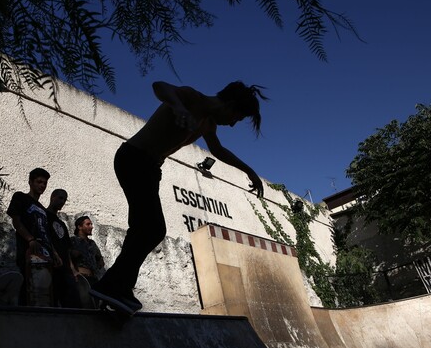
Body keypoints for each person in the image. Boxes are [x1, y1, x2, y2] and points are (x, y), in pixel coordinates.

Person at [90, 81, 266, 313]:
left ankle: (117, 286)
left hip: (150, 168)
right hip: (134, 157)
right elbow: (159, 86)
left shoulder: (208, 124)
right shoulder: (193, 98)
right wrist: (178, 107)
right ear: (230, 105)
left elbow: (218, 150)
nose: (232, 124)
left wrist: (249, 170)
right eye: (236, 118)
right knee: (152, 228)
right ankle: (112, 285)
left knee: (145, 228)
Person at [6, 168, 62, 306]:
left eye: (45, 183)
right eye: (39, 182)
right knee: (28, 289)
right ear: (30, 182)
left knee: (45, 293)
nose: (42, 185)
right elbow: (16, 221)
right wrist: (30, 239)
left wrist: (54, 253)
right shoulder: (20, 197)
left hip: (46, 254)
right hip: (28, 252)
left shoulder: (43, 209)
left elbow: (46, 233)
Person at [46, 189, 82, 308]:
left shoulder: (61, 224)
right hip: (49, 266)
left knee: (73, 304)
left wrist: (73, 269)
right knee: (50, 302)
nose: (62, 201)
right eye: (60, 198)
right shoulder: (43, 216)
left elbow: (67, 249)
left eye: (64, 199)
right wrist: (54, 254)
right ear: (52, 197)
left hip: (65, 269)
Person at [70, 216, 105, 286]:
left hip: (93, 278)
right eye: (88, 224)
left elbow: (100, 260)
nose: (91, 227)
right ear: (79, 227)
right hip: (80, 278)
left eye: (91, 224)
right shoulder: (72, 241)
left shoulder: (92, 243)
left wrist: (99, 261)